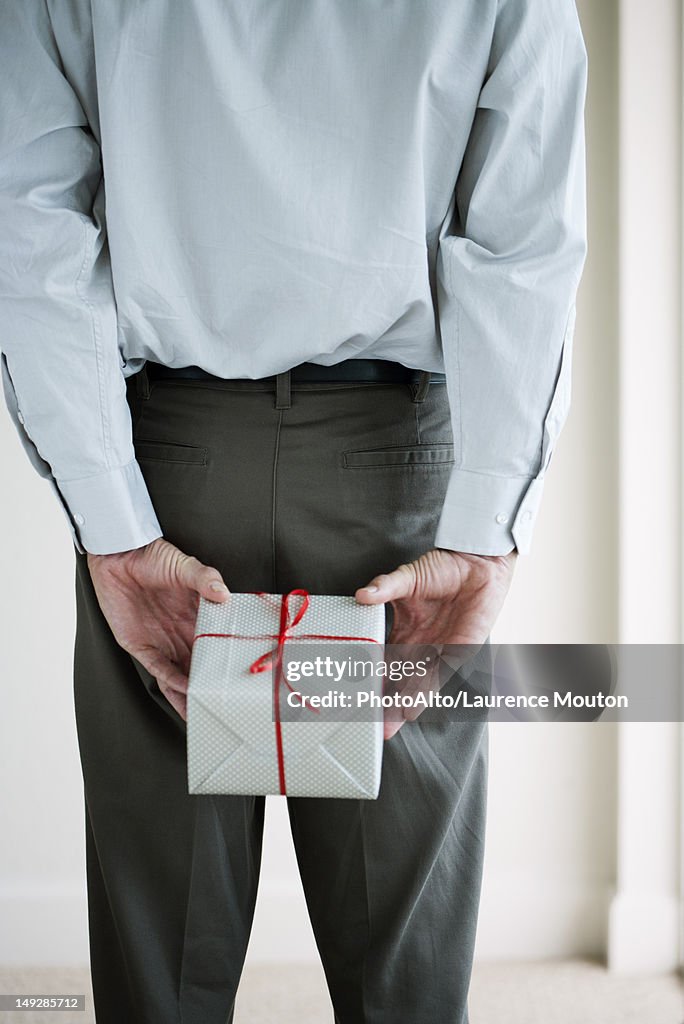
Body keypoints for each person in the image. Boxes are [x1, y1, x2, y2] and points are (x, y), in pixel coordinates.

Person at [0, 2, 588, 1022]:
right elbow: (523, 242)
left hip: (170, 465)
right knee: (400, 953)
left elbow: (29, 219)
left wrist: (113, 515)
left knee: (162, 952)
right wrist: (484, 527)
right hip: (395, 470)